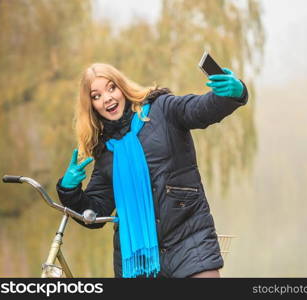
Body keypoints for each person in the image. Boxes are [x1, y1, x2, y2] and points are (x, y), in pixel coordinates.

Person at [56, 62, 248, 278]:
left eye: (111, 88)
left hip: (190, 242)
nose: (107, 98)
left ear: (122, 87)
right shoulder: (105, 152)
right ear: (91, 106)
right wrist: (70, 191)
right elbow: (95, 212)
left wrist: (233, 93)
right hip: (140, 265)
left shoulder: (163, 109)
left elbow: (200, 109)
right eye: (96, 95)